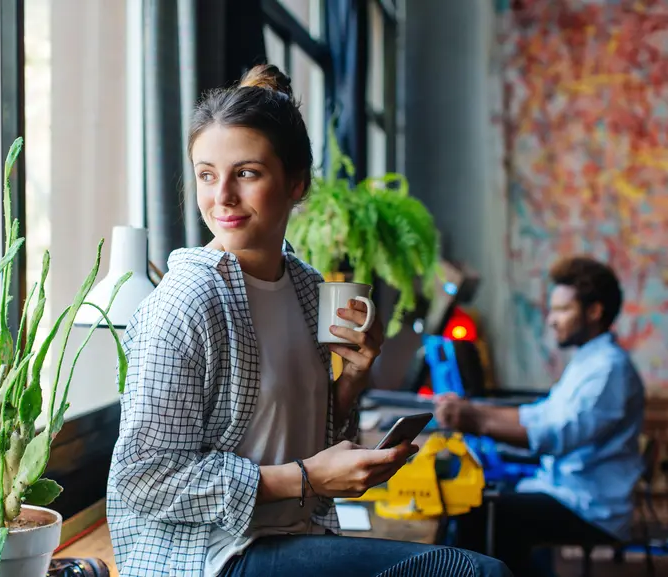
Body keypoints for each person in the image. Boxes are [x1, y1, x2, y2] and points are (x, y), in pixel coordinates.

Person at [106, 64, 511, 577]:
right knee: (475, 573)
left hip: (299, 535)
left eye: (246, 173)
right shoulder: (185, 301)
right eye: (207, 174)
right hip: (215, 555)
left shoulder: (306, 286)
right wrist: (306, 478)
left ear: (296, 182)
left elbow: (308, 439)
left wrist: (356, 376)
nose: (222, 196)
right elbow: (143, 481)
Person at [435, 256, 645, 576]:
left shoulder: (609, 368)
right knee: (479, 501)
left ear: (594, 311)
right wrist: (474, 410)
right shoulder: (589, 360)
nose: (551, 319)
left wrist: (475, 420)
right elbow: (540, 414)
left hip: (590, 506)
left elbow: (556, 436)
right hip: (565, 489)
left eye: (563, 310)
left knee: (479, 513)